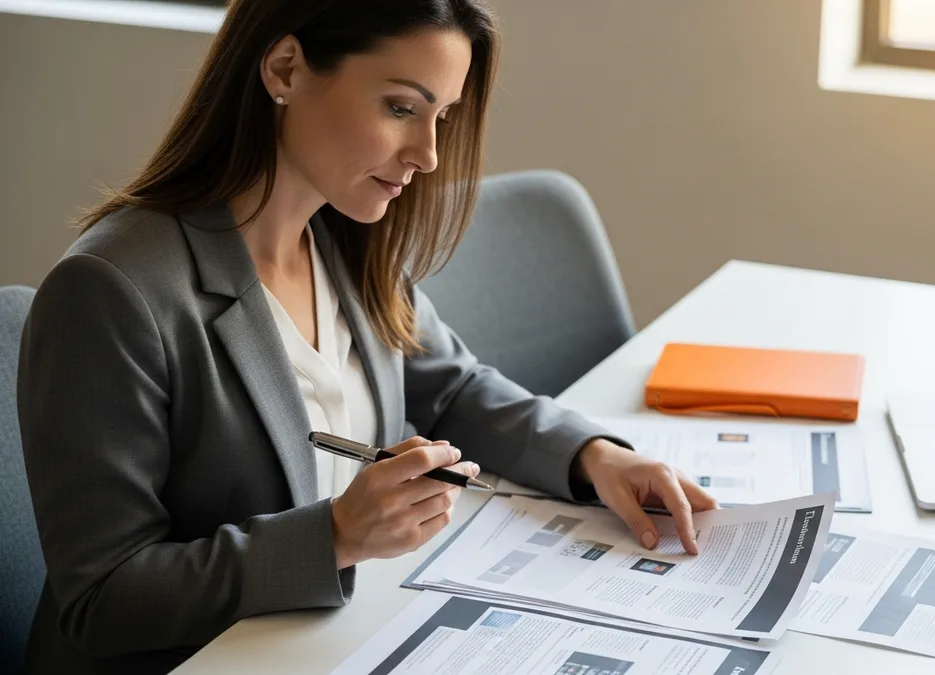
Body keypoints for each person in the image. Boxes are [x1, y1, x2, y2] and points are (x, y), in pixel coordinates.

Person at [16, 1, 718, 672]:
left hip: (333, 643)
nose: (429, 154)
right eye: (401, 108)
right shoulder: (113, 289)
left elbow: (452, 387)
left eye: (441, 116)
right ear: (285, 68)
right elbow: (103, 597)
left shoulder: (344, 237)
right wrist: (336, 536)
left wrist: (594, 457)